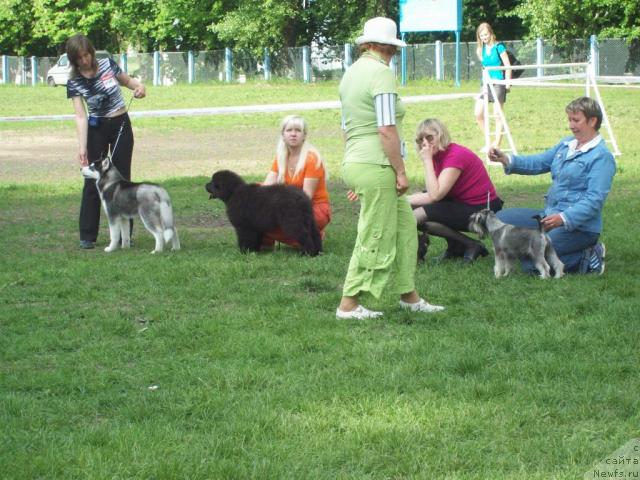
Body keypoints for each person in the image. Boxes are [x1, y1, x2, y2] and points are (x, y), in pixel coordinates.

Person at [336, 17, 444, 320]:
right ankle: (349, 303)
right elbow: (386, 128)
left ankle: (408, 296)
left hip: (358, 162)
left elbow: (346, 127)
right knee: (374, 232)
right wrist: (400, 170)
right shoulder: (381, 74)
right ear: (392, 48)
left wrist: (356, 172)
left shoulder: (350, 74)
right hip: (378, 164)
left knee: (404, 228)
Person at [489, 96, 615, 274]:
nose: (571, 125)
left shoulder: (602, 157)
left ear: (593, 121)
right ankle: (537, 245)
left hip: (580, 228)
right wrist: (507, 159)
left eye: (576, 120)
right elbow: (539, 162)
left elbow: (594, 201)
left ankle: (588, 256)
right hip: (547, 218)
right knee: (500, 220)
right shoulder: (566, 145)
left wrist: (563, 218)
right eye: (569, 119)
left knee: (532, 266)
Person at [66, 34, 146, 249]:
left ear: (91, 51)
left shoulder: (107, 64)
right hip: (96, 129)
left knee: (122, 179)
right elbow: (80, 115)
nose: (85, 60)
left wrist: (138, 87)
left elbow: (128, 81)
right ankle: (87, 235)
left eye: (87, 55)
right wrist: (82, 146)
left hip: (121, 124)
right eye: (79, 57)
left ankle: (124, 236)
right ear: (73, 60)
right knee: (92, 180)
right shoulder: (73, 80)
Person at [408, 118, 503, 263]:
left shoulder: (454, 156)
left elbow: (435, 195)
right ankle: (459, 245)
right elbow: (431, 191)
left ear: (441, 135)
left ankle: (469, 245)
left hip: (483, 210)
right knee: (409, 208)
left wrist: (426, 161)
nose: (425, 143)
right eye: (420, 140)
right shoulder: (438, 155)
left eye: (429, 137)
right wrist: (403, 201)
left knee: (415, 216)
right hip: (462, 203)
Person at [262, 114, 331, 248]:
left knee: (287, 221)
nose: (293, 134)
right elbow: (265, 188)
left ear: (304, 135)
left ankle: (310, 236)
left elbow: (305, 198)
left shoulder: (312, 159)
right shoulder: (281, 156)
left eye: (298, 130)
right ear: (283, 134)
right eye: (289, 130)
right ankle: (265, 242)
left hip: (313, 208)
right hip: (290, 204)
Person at [474, 22, 511, 150]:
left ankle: (497, 144)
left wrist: (507, 83)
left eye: (486, 34)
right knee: (478, 113)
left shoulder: (499, 47)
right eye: (481, 35)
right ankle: (488, 141)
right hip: (485, 84)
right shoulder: (480, 50)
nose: (484, 37)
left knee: (497, 113)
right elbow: (484, 68)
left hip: (499, 82)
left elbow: (507, 65)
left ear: (491, 33)